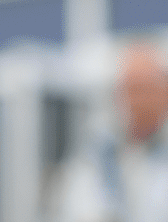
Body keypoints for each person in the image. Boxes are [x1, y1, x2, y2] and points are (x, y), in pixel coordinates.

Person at [49, 41, 168, 222]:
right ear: (119, 95)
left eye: (150, 89)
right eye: (134, 89)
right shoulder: (96, 157)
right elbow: (82, 209)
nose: (142, 100)